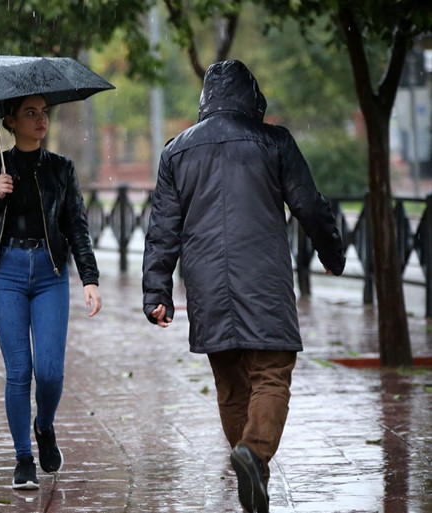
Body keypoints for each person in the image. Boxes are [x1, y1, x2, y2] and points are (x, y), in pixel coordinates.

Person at [141, 60, 345, 513]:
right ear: (252, 98)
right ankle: (253, 454)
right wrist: (332, 254)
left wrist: (156, 292)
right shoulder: (275, 141)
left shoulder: (177, 152)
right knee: (271, 372)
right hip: (265, 280)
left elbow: (162, 230)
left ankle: (254, 484)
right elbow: (310, 206)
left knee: (232, 386)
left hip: (206, 285)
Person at [0, 94, 102, 490]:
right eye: (30, 113)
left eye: (44, 112)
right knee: (19, 371)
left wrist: (89, 278)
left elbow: (76, 224)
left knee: (50, 372)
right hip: (5, 273)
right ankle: (23, 457)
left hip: (50, 273)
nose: (41, 120)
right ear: (10, 121)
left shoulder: (61, 168)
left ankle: (44, 426)